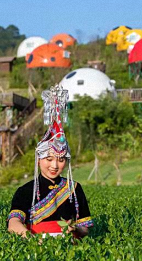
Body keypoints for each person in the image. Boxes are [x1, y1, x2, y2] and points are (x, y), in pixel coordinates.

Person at [7, 85, 93, 238]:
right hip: (35, 247)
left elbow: (84, 228)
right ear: (39, 159)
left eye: (60, 160)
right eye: (49, 159)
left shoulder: (73, 189)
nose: (54, 165)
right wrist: (32, 240)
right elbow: (13, 223)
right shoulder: (25, 191)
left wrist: (75, 230)